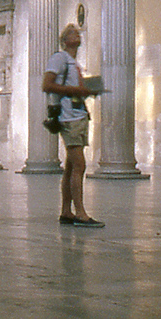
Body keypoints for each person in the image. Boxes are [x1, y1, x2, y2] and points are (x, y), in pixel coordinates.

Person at [43, 23, 102, 227]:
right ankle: (81, 213)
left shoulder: (73, 62)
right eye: (72, 32)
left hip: (78, 115)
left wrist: (86, 90)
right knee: (80, 165)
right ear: (65, 40)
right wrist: (76, 91)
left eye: (77, 31)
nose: (77, 34)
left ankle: (66, 211)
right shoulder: (59, 58)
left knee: (70, 167)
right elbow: (47, 85)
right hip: (69, 118)